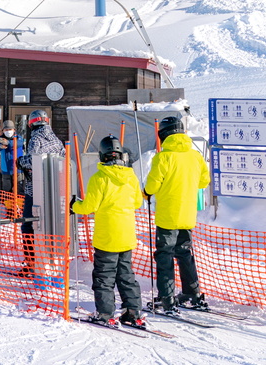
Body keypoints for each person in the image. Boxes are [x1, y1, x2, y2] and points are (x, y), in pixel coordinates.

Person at [71, 136, 146, 328]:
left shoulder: (100, 178)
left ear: (102, 156)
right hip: (127, 235)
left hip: (107, 236)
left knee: (104, 277)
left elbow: (89, 206)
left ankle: (105, 313)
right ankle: (133, 312)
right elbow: (137, 202)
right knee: (126, 274)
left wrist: (74, 206)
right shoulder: (131, 177)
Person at [145, 114, 211, 314]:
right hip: (187, 215)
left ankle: (167, 298)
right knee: (185, 253)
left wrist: (148, 192)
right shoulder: (195, 155)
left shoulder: (163, 157)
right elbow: (203, 182)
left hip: (168, 216)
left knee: (164, 256)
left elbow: (152, 186)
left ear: (164, 135)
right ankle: (193, 293)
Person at [17, 109, 65, 273]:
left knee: (28, 225)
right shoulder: (56, 140)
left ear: (32, 123)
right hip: (52, 189)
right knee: (48, 224)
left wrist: (20, 161)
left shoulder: (35, 139)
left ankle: (32, 263)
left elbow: (32, 161)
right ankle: (50, 260)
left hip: (35, 189)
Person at [0, 119, 24, 200]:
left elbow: (18, 144)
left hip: (18, 169)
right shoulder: (1, 139)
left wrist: (8, 143)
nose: (8, 131)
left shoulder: (19, 138)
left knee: (18, 191)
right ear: (3, 130)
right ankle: (8, 210)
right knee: (7, 192)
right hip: (6, 170)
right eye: (6, 129)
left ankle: (19, 208)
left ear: (14, 130)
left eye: (10, 129)